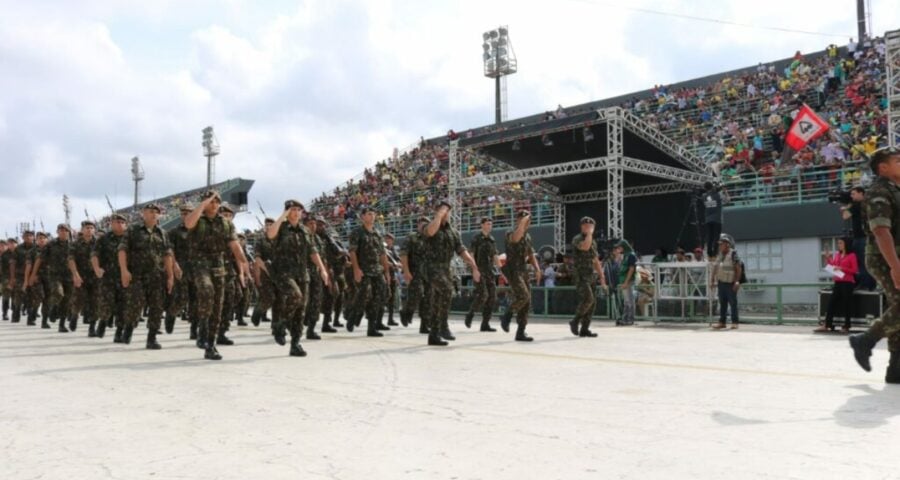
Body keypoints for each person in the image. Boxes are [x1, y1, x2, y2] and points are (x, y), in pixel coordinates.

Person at [849, 147, 900, 383]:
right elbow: (881, 231)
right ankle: (866, 339)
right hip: (884, 258)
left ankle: (896, 368)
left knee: (898, 308)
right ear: (883, 168)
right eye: (898, 161)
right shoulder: (879, 191)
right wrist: (895, 265)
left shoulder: (895, 190)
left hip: (893, 257)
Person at [184, 191, 249, 360]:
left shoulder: (226, 224)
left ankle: (210, 345)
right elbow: (189, 223)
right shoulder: (197, 218)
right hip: (199, 263)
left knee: (218, 307)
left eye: (216, 202)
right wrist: (202, 204)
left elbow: (235, 245)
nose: (213, 204)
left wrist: (243, 261)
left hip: (219, 265)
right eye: (210, 201)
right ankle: (202, 326)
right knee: (206, 290)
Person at [267, 199, 329, 356]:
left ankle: (295, 344)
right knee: (296, 296)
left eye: (298, 210)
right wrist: (283, 215)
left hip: (302, 273)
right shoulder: (280, 227)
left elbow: (313, 251)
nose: (295, 212)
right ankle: (280, 323)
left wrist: (322, 269)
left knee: (301, 311)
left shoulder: (304, 231)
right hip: (284, 272)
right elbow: (270, 234)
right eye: (292, 209)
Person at [422, 201, 480, 345]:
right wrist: (439, 215)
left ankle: (434, 336)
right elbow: (431, 231)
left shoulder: (453, 232)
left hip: (446, 269)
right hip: (431, 267)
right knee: (447, 290)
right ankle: (443, 326)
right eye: (443, 210)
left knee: (436, 302)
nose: (446, 213)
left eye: (448, 211)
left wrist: (474, 266)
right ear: (437, 211)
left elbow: (461, 250)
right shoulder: (428, 226)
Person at [118, 203, 175, 349]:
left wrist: (170, 276)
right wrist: (124, 270)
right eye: (151, 211)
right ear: (144, 213)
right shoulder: (133, 230)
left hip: (157, 275)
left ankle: (152, 338)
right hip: (137, 275)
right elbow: (122, 250)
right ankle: (129, 327)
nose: (154, 214)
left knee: (157, 306)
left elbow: (168, 255)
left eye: (157, 212)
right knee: (135, 305)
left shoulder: (162, 233)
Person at [29, 224, 82, 333]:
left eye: (65, 230)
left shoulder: (73, 245)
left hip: (68, 276)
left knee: (66, 301)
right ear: (57, 232)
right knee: (58, 293)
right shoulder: (51, 244)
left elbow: (77, 262)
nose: (63, 232)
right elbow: (39, 259)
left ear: (69, 232)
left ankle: (61, 325)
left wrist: (76, 275)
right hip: (54, 275)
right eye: (61, 230)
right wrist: (33, 274)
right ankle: (52, 310)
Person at [346, 206, 389, 338]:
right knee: (364, 293)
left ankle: (372, 327)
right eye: (369, 214)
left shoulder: (377, 233)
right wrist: (356, 269)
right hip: (363, 269)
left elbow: (382, 254)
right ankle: (354, 314)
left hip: (376, 269)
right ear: (363, 216)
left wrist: (386, 272)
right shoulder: (357, 232)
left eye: (373, 214)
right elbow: (352, 252)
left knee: (378, 296)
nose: (372, 216)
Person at [500, 210, 541, 342]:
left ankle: (521, 332)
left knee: (527, 302)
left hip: (523, 270)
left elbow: (530, 254)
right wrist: (523, 223)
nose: (527, 222)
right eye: (523, 219)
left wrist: (537, 269)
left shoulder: (528, 236)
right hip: (512, 269)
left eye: (528, 221)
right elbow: (516, 238)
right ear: (517, 220)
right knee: (523, 296)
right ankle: (507, 315)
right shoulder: (510, 233)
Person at [91, 213, 128, 340]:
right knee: (106, 303)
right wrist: (96, 268)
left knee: (123, 305)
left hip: (124, 277)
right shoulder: (103, 239)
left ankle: (119, 332)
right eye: (116, 222)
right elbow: (94, 254)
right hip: (108, 276)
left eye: (122, 222)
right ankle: (103, 322)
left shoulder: (130, 238)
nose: (119, 224)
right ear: (111, 224)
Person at [570, 216, 607, 337]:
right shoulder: (577, 239)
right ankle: (575, 321)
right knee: (588, 298)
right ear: (582, 227)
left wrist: (601, 276)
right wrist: (590, 234)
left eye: (591, 226)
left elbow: (595, 260)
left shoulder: (593, 242)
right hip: (580, 274)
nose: (588, 228)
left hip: (590, 274)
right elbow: (585, 247)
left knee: (593, 303)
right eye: (586, 226)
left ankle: (584, 329)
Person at [464, 217, 502, 332]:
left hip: (489, 271)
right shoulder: (477, 238)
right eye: (487, 224)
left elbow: (495, 256)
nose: (490, 226)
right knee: (483, 295)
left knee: (492, 297)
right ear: (482, 225)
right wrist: (475, 270)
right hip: (479, 270)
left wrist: (502, 270)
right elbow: (470, 254)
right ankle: (470, 314)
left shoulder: (491, 239)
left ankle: (485, 324)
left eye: (491, 224)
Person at [816, 237, 858, 333]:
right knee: (831, 303)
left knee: (847, 304)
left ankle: (846, 326)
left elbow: (854, 270)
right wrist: (828, 258)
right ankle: (827, 325)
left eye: (840, 243)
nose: (838, 245)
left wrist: (842, 268)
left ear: (846, 244)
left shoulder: (852, 255)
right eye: (838, 243)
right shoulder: (838, 255)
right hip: (838, 282)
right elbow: (833, 265)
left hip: (848, 283)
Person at [400, 216, 431, 333]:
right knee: (417, 293)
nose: (424, 227)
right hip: (415, 272)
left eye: (426, 225)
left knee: (427, 299)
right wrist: (406, 271)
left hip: (428, 273)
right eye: (422, 224)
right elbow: (404, 253)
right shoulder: (412, 237)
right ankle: (407, 311)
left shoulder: (431, 239)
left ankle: (424, 325)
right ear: (418, 225)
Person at [71, 220, 101, 337]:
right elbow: (71, 259)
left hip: (96, 278)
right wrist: (75, 274)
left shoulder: (99, 243)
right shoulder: (75, 244)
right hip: (81, 276)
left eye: (91, 228)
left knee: (95, 302)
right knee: (78, 300)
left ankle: (92, 327)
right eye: (87, 228)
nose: (89, 230)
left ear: (94, 230)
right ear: (82, 230)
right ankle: (74, 315)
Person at [843, 187, 875, 290]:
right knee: (865, 261)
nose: (851, 196)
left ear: (861, 193)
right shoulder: (867, 203)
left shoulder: (857, 205)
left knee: (862, 262)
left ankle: (865, 284)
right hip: (865, 236)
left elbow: (845, 216)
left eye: (853, 194)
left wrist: (847, 207)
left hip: (860, 237)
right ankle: (869, 284)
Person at [710, 233, 742, 330]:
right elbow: (715, 267)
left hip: (730, 283)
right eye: (719, 244)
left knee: (733, 303)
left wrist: (737, 281)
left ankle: (735, 322)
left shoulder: (733, 254)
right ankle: (722, 322)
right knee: (722, 303)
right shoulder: (720, 255)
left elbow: (738, 269)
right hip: (721, 283)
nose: (719, 246)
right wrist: (712, 279)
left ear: (727, 244)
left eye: (721, 244)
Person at [702, 182, 729, 259]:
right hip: (717, 219)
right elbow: (727, 200)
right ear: (712, 187)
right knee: (716, 237)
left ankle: (709, 253)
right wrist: (725, 191)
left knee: (709, 237)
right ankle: (715, 253)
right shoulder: (718, 194)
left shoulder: (703, 196)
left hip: (708, 219)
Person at [614, 240, 638, 326]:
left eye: (619, 247)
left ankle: (629, 319)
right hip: (624, 281)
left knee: (629, 301)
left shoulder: (631, 255)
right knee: (626, 301)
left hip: (628, 281)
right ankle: (625, 318)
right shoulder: (625, 255)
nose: (618, 249)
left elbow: (631, 269)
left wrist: (626, 282)